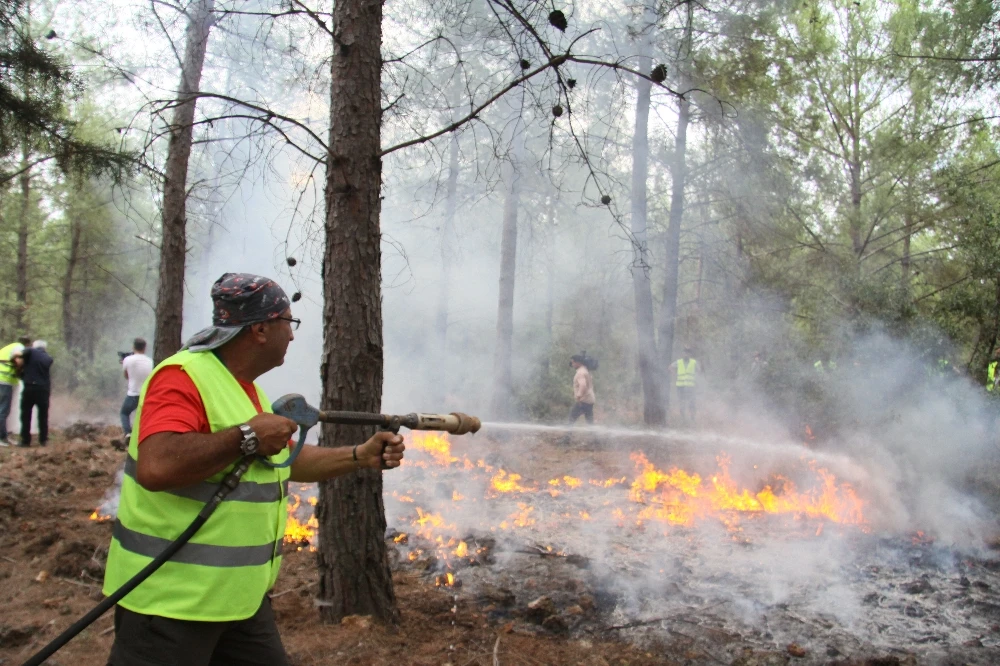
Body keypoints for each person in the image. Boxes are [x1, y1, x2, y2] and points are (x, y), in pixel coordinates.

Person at [102, 272, 406, 666]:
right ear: (261, 329)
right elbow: (157, 466)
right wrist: (245, 435)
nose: (293, 337)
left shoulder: (244, 387)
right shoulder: (181, 377)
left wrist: (359, 456)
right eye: (288, 323)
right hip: (171, 603)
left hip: (237, 602)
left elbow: (278, 462)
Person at [19, 339, 53, 447]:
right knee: (43, 416)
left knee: (26, 415)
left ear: (34, 346)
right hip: (43, 389)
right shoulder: (48, 358)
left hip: (29, 387)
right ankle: (43, 440)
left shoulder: (30, 351)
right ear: (44, 348)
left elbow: (20, 354)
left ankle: (25, 441)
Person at [120, 337, 153, 440]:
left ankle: (128, 433)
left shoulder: (127, 360)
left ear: (133, 347)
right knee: (144, 417)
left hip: (133, 394)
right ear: (145, 348)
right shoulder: (150, 361)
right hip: (147, 395)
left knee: (124, 413)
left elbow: (126, 376)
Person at [0, 336, 29, 446]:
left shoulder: (9, 347)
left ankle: (4, 436)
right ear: (27, 345)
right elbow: (18, 360)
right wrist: (20, 372)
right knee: (3, 410)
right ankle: (1, 438)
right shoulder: (19, 347)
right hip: (4, 381)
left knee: (2, 410)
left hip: (2, 380)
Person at [669, 346, 699, 425]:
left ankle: (692, 418)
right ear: (683, 353)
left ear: (690, 354)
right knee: (682, 402)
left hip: (691, 386)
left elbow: (699, 370)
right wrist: (675, 374)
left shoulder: (694, 362)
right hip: (681, 386)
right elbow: (670, 367)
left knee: (692, 402)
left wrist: (696, 378)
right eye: (685, 352)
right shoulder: (679, 362)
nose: (686, 354)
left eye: (688, 352)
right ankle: (683, 418)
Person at [568, 352, 596, 425]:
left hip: (583, 401)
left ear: (578, 363)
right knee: (590, 422)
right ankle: (595, 436)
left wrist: (578, 396)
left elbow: (583, 385)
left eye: (573, 362)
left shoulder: (580, 372)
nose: (572, 364)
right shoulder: (586, 371)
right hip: (590, 399)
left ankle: (567, 436)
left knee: (571, 418)